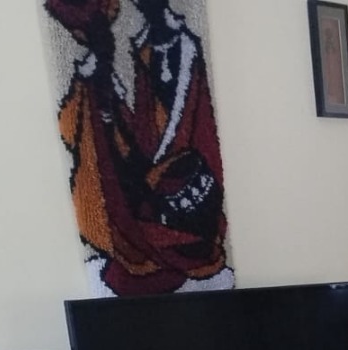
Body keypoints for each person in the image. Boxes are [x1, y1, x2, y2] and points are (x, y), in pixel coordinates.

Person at [45, 0, 232, 295]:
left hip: (178, 194)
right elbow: (89, 140)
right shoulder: (94, 83)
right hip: (139, 213)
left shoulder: (178, 49)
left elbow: (189, 126)